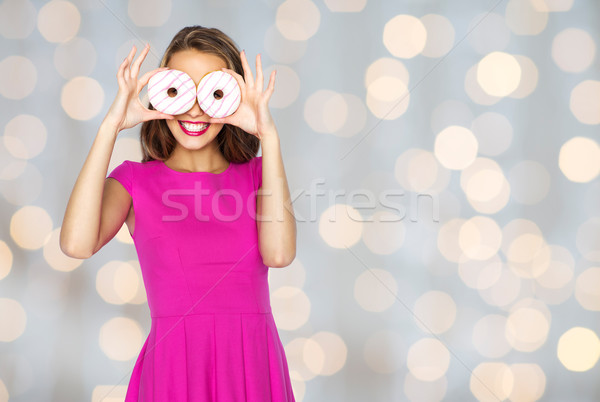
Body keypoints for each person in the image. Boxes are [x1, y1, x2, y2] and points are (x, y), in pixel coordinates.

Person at [60, 25, 297, 401]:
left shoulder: (257, 174)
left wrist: (269, 136)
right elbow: (75, 244)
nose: (195, 108)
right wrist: (111, 126)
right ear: (159, 95)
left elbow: (279, 254)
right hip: (174, 365)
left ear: (232, 97)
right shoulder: (134, 181)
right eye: (179, 89)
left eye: (213, 92)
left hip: (252, 361)